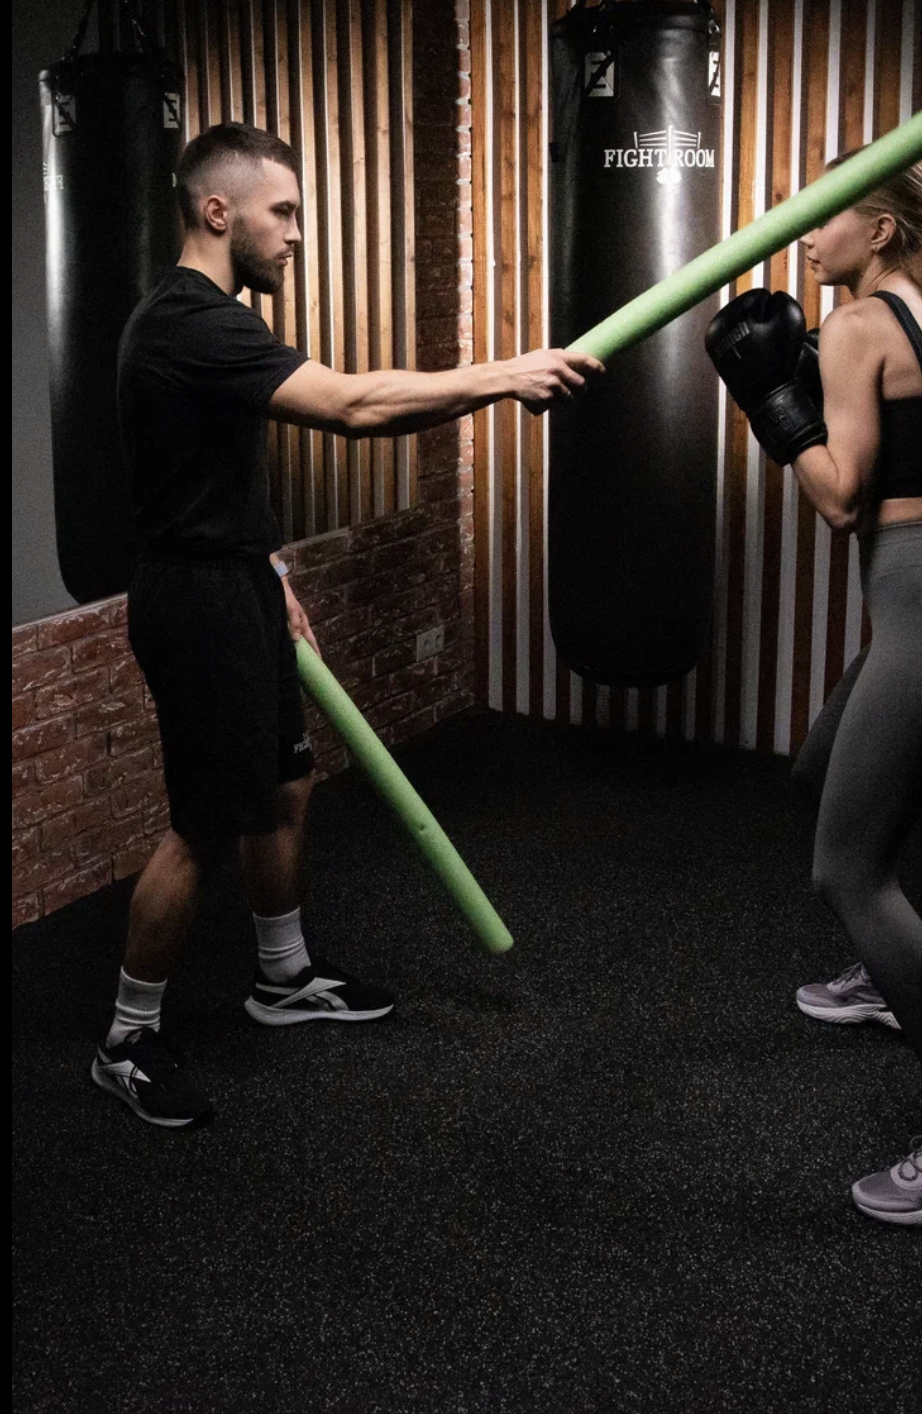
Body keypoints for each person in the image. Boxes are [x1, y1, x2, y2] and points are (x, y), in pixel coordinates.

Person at [93, 122, 602, 1128]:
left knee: (287, 782)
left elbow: (210, 480)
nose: (295, 233)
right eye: (282, 212)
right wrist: (505, 375)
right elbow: (354, 405)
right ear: (217, 211)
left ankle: (281, 977)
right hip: (194, 603)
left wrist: (271, 570)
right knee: (205, 823)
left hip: (235, 580)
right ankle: (126, 1037)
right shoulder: (187, 321)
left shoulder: (214, 321)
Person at [706, 154, 922, 1226]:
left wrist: (770, 401)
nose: (806, 234)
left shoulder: (858, 326)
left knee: (846, 871)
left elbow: (843, 500)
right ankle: (881, 976)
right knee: (819, 774)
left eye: (822, 216)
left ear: (882, 230)